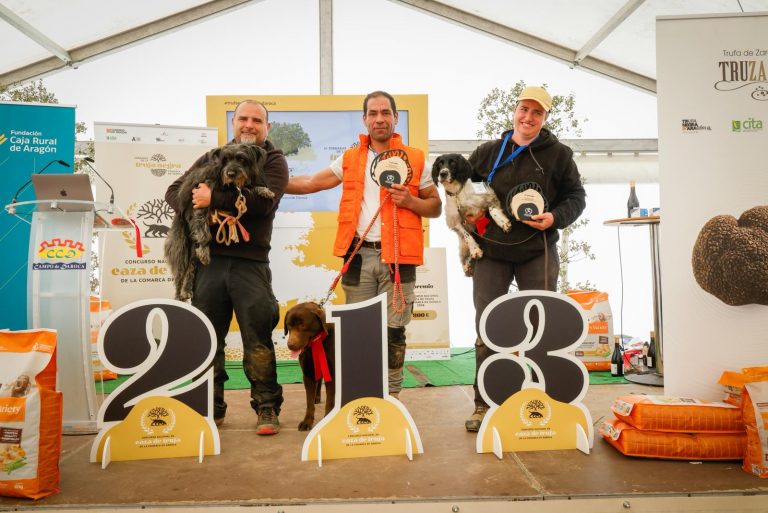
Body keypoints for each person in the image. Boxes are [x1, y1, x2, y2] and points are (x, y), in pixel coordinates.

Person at [285, 91, 441, 398]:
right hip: (357, 257)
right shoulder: (350, 157)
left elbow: (434, 206)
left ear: (396, 118)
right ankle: (360, 395)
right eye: (373, 113)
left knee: (393, 332)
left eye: (385, 112)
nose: (379, 118)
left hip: (400, 259)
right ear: (364, 119)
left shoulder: (418, 157)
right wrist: (269, 179)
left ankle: (392, 397)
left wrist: (410, 200)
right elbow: (311, 183)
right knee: (356, 331)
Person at [464, 86, 586, 431]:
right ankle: (484, 404)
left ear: (545, 118)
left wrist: (556, 218)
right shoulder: (488, 152)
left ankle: (546, 401)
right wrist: (471, 219)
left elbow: (576, 196)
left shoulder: (559, 154)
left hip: (538, 249)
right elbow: (465, 192)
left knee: (545, 326)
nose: (528, 118)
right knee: (489, 326)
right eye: (524, 109)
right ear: (514, 111)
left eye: (537, 113)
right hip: (491, 252)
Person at [165, 99, 288, 435]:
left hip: (251, 265)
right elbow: (174, 190)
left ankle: (266, 408)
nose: (249, 125)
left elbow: (264, 204)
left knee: (258, 339)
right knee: (207, 339)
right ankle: (209, 408)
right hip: (209, 263)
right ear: (234, 122)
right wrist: (195, 205)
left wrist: (213, 199)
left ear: (267, 126)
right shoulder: (213, 156)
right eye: (243, 119)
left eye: (257, 120)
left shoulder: (274, 160)